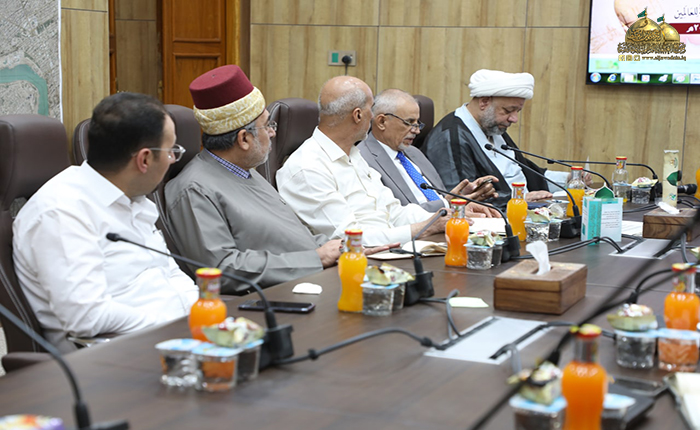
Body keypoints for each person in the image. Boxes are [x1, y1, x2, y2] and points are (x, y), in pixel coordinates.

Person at [165, 65, 386, 295]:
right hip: (275, 298)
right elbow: (222, 268)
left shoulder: (247, 170)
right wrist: (316, 258)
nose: (273, 133)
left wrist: (340, 247)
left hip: (312, 278)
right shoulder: (194, 189)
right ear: (244, 139)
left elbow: (294, 235)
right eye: (267, 125)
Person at [13, 93, 198, 353]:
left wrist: (203, 315)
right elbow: (87, 317)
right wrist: (172, 324)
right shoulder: (61, 212)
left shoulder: (133, 198)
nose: (172, 160)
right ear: (144, 159)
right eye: (171, 152)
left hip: (176, 339)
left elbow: (170, 273)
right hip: (116, 358)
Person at [276, 76, 453, 247]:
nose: (373, 117)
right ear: (358, 115)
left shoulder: (353, 155)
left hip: (391, 248)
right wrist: (421, 229)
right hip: (361, 259)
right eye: (371, 109)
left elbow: (393, 212)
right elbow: (350, 238)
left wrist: (445, 217)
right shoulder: (307, 168)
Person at [422, 69, 577, 211]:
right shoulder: (450, 138)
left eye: (517, 111)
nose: (514, 119)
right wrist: (518, 200)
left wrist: (569, 179)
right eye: (508, 110)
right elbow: (460, 200)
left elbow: (524, 171)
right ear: (484, 102)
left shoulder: (492, 127)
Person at [358, 89, 501, 217]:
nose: (417, 131)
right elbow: (395, 215)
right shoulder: (363, 159)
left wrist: (463, 194)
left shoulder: (414, 153)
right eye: (409, 122)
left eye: (417, 123)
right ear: (382, 122)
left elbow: (439, 197)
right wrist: (446, 203)